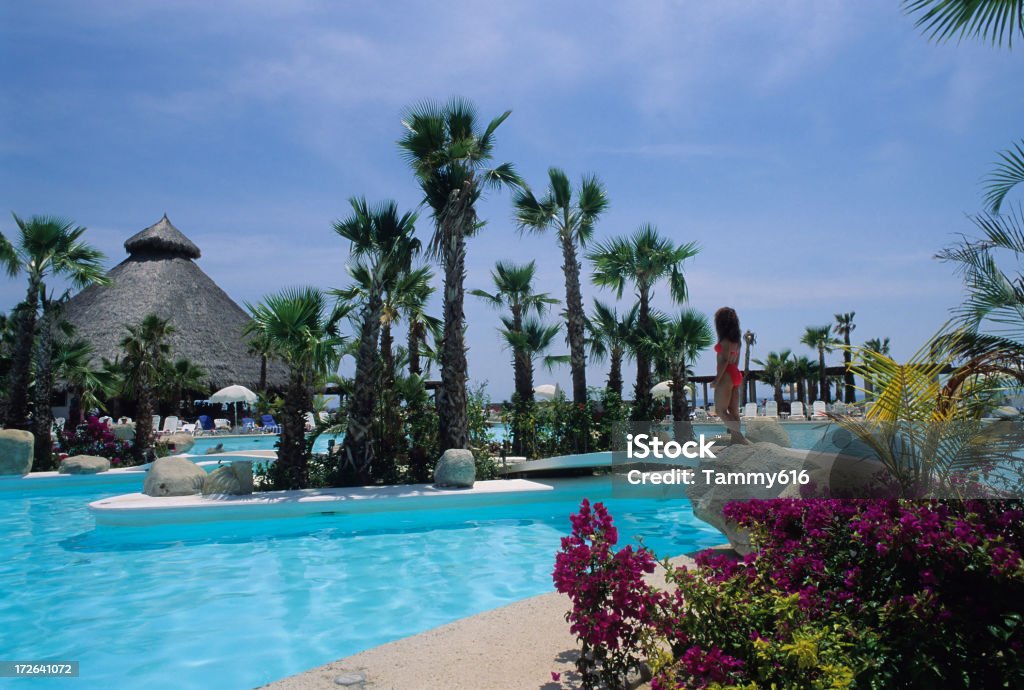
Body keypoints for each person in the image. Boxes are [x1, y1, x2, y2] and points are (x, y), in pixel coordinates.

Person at [714, 307, 750, 445]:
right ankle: (736, 439)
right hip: (736, 373)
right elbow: (735, 360)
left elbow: (724, 362)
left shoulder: (725, 342)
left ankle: (738, 436)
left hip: (727, 375)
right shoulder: (737, 342)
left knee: (720, 410)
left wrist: (716, 381)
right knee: (734, 412)